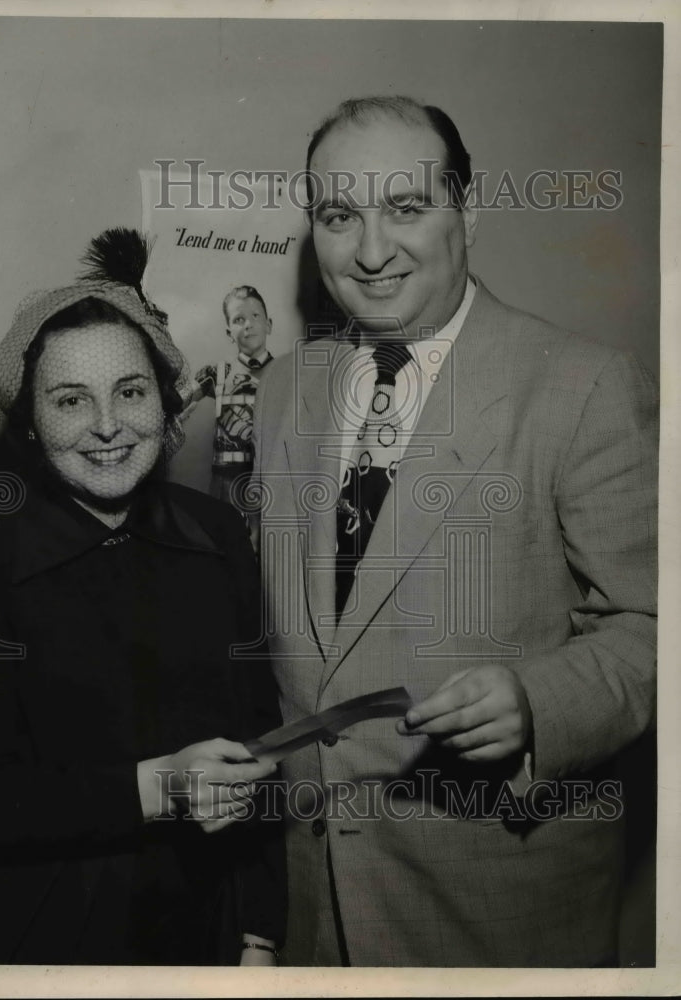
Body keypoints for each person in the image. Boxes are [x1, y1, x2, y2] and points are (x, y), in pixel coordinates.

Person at [252, 97, 657, 966]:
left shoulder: (583, 386)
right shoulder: (284, 387)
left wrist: (538, 703)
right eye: (339, 216)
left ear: (466, 215)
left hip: (496, 921)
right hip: (312, 912)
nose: (370, 250)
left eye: (405, 207)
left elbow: (653, 623)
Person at [0, 229, 285, 966]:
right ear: (29, 423)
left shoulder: (216, 535)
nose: (108, 426)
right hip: (34, 940)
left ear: (166, 403)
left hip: (204, 934)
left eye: (131, 392)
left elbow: (261, 742)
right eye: (71, 400)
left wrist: (259, 934)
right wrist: (157, 788)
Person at [189, 285, 274, 506]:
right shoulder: (217, 374)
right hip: (224, 486)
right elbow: (177, 401)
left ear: (269, 325)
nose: (248, 324)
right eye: (239, 319)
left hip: (269, 484)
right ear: (229, 333)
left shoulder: (285, 374)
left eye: (255, 316)